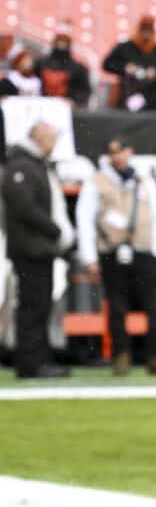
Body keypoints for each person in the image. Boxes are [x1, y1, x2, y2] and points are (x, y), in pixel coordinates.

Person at [75, 137, 156, 376]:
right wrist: (89, 255)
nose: (117, 157)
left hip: (144, 250)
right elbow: (85, 218)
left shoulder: (143, 180)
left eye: (121, 151)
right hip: (112, 250)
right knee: (117, 305)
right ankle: (121, 355)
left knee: (155, 305)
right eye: (112, 152)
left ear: (130, 152)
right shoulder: (97, 182)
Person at [1, 121, 74, 378]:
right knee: (32, 307)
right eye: (52, 138)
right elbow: (24, 207)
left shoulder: (33, 165)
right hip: (30, 248)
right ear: (39, 138)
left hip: (39, 248)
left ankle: (39, 359)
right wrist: (54, 230)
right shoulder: (22, 166)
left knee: (39, 305)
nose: (54, 144)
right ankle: (30, 363)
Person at [102, 15, 156, 112]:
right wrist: (124, 67)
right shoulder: (125, 47)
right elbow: (107, 64)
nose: (145, 33)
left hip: (153, 100)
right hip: (127, 95)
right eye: (143, 29)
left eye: (149, 30)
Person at [36, 22, 92, 107]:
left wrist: (73, 101)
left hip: (67, 109)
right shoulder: (41, 64)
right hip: (42, 106)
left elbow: (84, 91)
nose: (61, 45)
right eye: (60, 41)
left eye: (64, 42)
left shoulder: (78, 68)